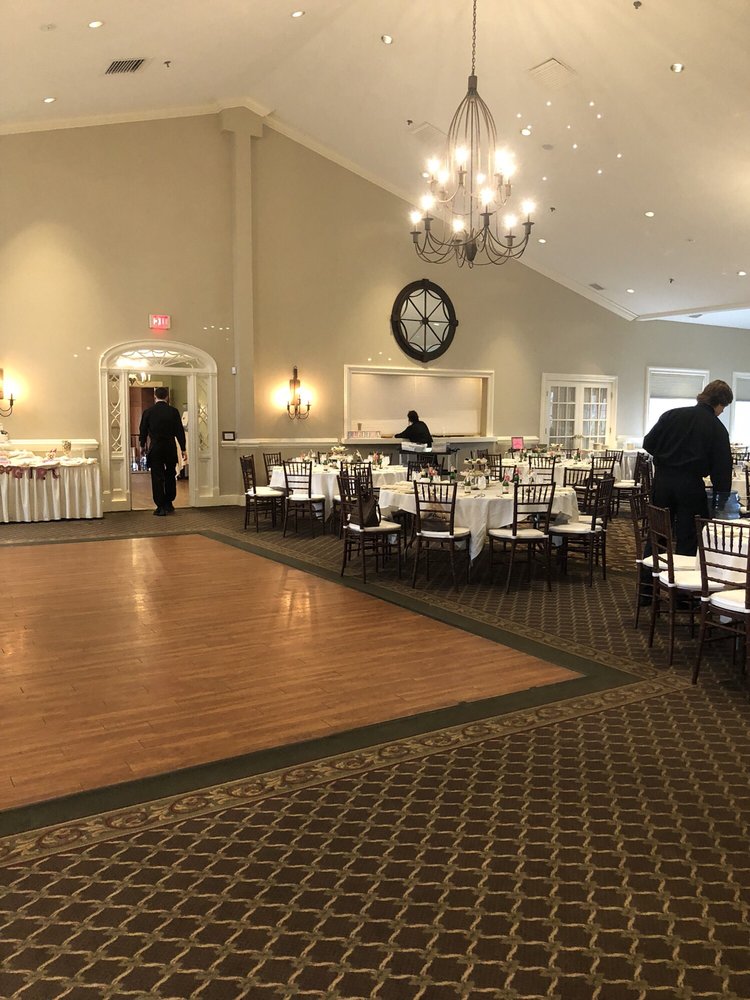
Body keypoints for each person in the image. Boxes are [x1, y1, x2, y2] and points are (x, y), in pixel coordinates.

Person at [643, 379, 733, 555]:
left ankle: (650, 572)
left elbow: (648, 443)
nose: (722, 411)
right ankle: (682, 572)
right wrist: (721, 499)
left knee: (658, 532)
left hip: (663, 481)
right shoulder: (717, 428)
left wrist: (665, 456)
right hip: (690, 485)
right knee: (688, 536)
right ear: (719, 403)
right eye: (724, 407)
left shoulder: (672, 415)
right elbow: (722, 468)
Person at [139, 387, 187, 516]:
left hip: (155, 447)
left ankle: (160, 506)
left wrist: (142, 445)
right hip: (170, 446)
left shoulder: (148, 412)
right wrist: (183, 448)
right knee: (170, 474)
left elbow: (143, 430)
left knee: (157, 476)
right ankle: (169, 502)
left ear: (155, 397)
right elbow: (179, 431)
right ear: (167, 397)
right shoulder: (173, 412)